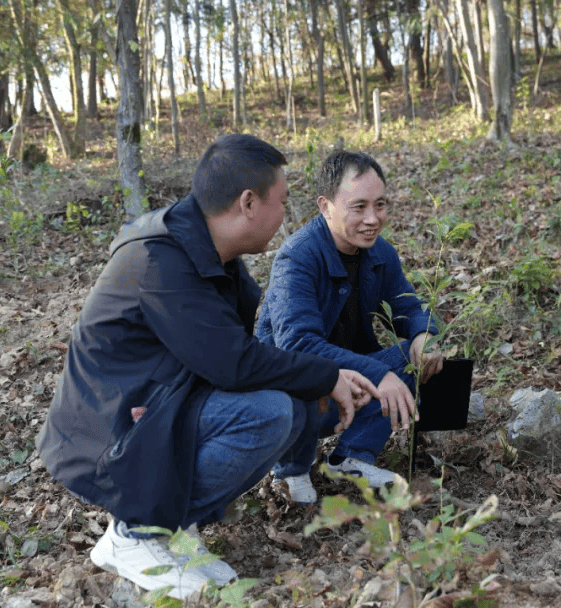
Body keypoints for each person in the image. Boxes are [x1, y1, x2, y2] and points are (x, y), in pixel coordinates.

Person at [36, 134, 378, 600]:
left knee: (293, 408)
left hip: (159, 404)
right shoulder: (161, 261)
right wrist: (326, 375)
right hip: (107, 432)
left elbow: (250, 348)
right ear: (248, 203)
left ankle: (176, 531)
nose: (286, 215)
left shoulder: (211, 251)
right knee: (269, 413)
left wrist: (318, 379)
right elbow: (234, 363)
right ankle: (135, 533)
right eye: (282, 201)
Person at [256, 150, 444, 504]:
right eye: (359, 207)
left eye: (380, 205)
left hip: (349, 384)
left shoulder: (380, 253)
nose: (373, 218)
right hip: (289, 395)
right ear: (325, 206)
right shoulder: (298, 256)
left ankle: (352, 456)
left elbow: (408, 306)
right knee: (301, 377)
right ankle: (290, 469)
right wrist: (379, 374)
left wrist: (424, 335)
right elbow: (297, 346)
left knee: (413, 357)